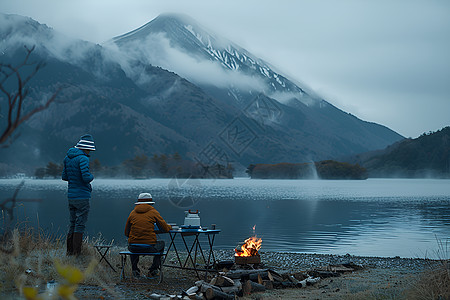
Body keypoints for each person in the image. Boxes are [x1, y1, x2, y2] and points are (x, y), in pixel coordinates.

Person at [62, 134, 96, 255]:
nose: (89, 152)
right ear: (86, 148)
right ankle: (77, 254)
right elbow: (86, 177)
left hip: (71, 196)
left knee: (72, 223)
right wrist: (92, 176)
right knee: (80, 225)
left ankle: (69, 252)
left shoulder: (67, 158)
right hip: (82, 196)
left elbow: (64, 177)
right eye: (89, 149)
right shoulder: (83, 159)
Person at [124, 193, 172, 278]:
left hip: (133, 247)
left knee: (134, 245)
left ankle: (135, 270)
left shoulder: (132, 213)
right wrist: (170, 227)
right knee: (161, 244)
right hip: (148, 247)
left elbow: (126, 233)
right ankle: (153, 270)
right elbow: (165, 228)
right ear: (150, 203)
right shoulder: (153, 212)